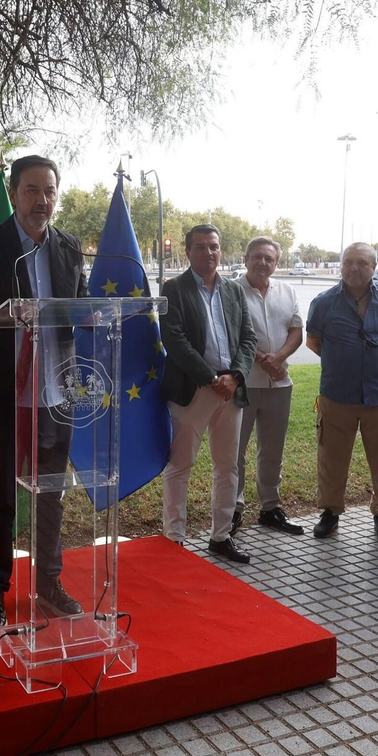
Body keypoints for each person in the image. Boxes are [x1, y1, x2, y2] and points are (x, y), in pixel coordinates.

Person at [0, 155, 88, 635]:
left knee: (52, 494)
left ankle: (49, 582)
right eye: (31, 191)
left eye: (49, 191)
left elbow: (82, 307)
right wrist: (8, 315)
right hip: (8, 394)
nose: (41, 201)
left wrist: (92, 314)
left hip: (56, 392)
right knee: (3, 497)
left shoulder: (68, 248)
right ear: (14, 192)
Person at [159, 225, 257, 563]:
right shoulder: (173, 289)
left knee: (228, 466)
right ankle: (174, 539)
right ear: (187, 251)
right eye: (200, 247)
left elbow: (248, 337)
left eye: (213, 246)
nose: (208, 252)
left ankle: (221, 537)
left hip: (230, 391)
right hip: (192, 391)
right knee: (180, 466)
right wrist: (210, 377)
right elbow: (174, 340)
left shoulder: (233, 290)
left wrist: (236, 376)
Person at [305, 243, 378, 543]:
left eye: (362, 263)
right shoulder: (324, 302)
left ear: (374, 266)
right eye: (348, 262)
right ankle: (330, 513)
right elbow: (314, 342)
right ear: (341, 265)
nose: (354, 268)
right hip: (337, 394)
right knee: (331, 458)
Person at [232, 238, 304, 534]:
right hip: (242, 383)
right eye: (257, 257)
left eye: (269, 259)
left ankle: (270, 507)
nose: (263, 263)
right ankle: (232, 509)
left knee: (272, 450)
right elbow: (230, 332)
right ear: (246, 258)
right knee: (234, 451)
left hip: (279, 384)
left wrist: (280, 357)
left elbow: (296, 330)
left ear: (277, 263)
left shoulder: (287, 291)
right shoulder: (230, 290)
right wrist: (264, 359)